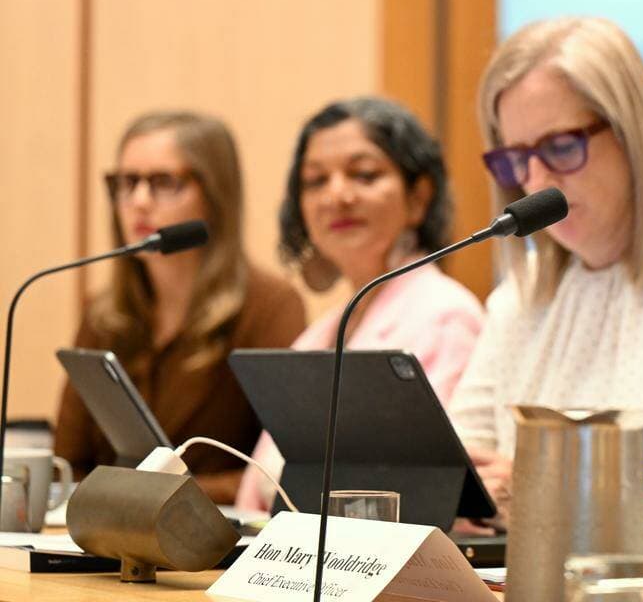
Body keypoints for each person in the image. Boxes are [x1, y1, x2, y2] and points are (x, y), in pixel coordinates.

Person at [448, 17, 643, 528]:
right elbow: (460, 466)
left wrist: (544, 500)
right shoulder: (522, 295)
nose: (536, 181)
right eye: (518, 158)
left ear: (632, 134)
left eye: (561, 147)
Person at [235, 96, 484, 510]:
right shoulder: (318, 334)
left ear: (419, 198)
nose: (337, 195)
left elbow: (432, 492)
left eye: (364, 175)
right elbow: (256, 492)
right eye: (315, 181)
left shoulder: (447, 316)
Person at [54, 111, 306, 504]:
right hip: (107, 537)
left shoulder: (270, 307)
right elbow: (67, 464)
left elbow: (284, 471)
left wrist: (155, 495)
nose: (138, 201)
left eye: (163, 182)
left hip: (211, 545)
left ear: (215, 194)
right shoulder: (103, 315)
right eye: (126, 182)